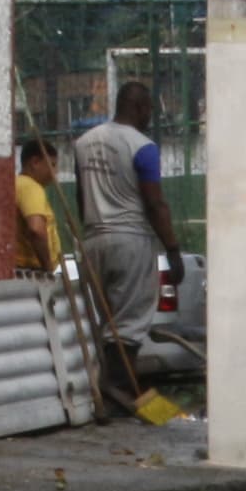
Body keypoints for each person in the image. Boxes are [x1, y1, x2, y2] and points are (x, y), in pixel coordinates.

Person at [70, 81, 183, 336]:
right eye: (150, 109)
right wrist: (173, 250)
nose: (151, 116)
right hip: (130, 243)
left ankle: (109, 376)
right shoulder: (143, 147)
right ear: (140, 107)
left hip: (92, 243)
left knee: (103, 326)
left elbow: (80, 198)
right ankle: (120, 377)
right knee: (127, 330)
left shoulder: (83, 143)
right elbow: (155, 204)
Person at [14, 138, 62, 271]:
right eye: (52, 165)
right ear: (35, 162)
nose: (55, 172)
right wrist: (47, 267)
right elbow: (36, 230)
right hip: (32, 271)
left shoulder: (19, 184)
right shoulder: (30, 187)